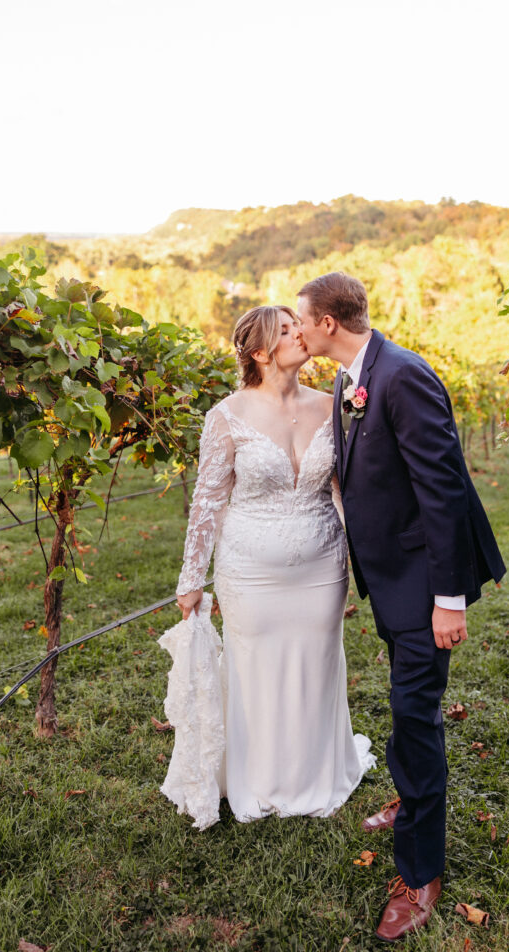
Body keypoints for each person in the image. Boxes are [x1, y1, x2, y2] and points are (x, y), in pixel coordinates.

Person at [296, 272, 506, 943]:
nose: (295, 331)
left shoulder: (402, 375)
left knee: (415, 718)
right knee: (404, 705)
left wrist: (448, 600)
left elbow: (441, 492)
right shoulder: (348, 378)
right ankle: (408, 796)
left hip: (423, 586)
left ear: (328, 322)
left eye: (300, 320)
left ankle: (420, 871)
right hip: (387, 578)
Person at [173, 305, 375, 823]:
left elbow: (345, 489)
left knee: (317, 664)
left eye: (296, 325)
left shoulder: (333, 405)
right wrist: (192, 578)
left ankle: (316, 773)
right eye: (285, 331)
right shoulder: (226, 417)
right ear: (260, 352)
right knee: (255, 667)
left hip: (322, 566)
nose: (299, 333)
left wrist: (374, 553)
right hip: (250, 571)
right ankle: (258, 779)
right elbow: (207, 502)